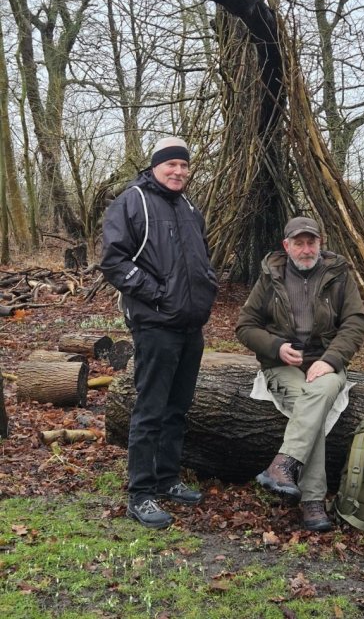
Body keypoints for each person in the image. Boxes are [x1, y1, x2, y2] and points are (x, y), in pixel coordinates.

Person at [101, 136, 218, 529]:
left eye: (184, 165)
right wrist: (158, 294)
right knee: (150, 410)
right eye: (171, 164)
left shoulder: (188, 207)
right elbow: (114, 261)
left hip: (190, 325)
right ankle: (141, 494)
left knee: (177, 409)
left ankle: (168, 479)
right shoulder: (132, 202)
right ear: (155, 166)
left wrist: (208, 287)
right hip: (155, 325)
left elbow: (201, 258)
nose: (179, 171)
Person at [235, 216, 364, 532]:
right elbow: (245, 326)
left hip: (325, 364)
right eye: (299, 243)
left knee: (316, 397)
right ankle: (312, 501)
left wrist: (331, 359)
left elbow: (355, 322)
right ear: (287, 245)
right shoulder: (271, 276)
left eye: (311, 242)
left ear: (321, 243)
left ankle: (284, 463)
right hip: (284, 366)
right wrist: (276, 347)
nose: (306, 250)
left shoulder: (338, 274)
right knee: (311, 410)